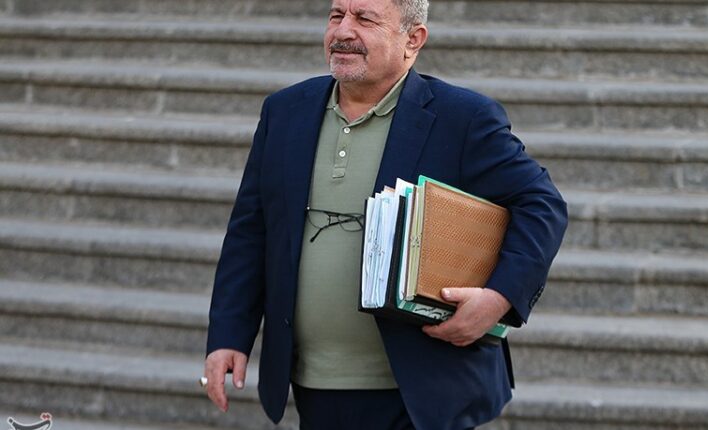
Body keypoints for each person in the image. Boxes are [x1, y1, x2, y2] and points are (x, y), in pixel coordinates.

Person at [203, 0, 567, 428]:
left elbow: (541, 205)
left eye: (365, 19)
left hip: (420, 393)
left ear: (413, 39)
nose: (343, 31)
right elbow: (251, 231)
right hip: (313, 384)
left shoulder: (463, 118)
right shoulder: (285, 111)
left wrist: (499, 298)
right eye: (336, 15)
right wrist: (229, 334)